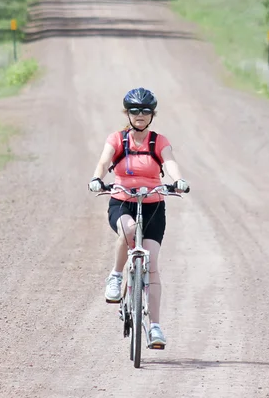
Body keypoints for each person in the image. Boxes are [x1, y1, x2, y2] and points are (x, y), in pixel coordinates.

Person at [88, 87, 189, 347]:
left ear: (152, 115)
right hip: (122, 202)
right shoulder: (118, 139)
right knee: (129, 230)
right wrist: (98, 179)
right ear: (128, 114)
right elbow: (103, 162)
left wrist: (177, 180)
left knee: (152, 262)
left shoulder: (159, 141)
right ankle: (116, 275)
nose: (140, 115)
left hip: (154, 205)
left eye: (145, 111)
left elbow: (169, 163)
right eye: (135, 111)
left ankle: (154, 327)